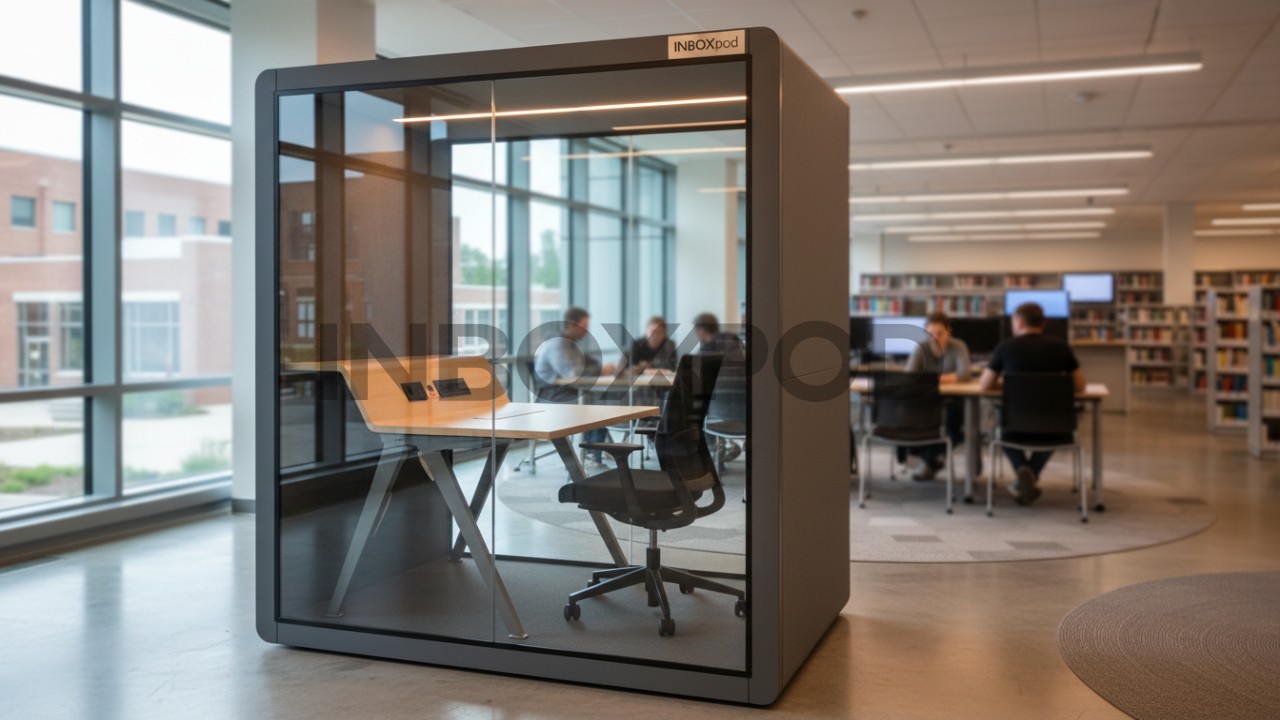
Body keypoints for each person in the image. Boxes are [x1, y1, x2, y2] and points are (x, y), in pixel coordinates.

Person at [978, 301, 1086, 505]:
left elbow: (984, 386)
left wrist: (1007, 384)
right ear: (1042, 323)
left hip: (1014, 426)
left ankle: (1022, 473)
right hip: (1056, 427)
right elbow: (1080, 386)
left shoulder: (1005, 347)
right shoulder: (1061, 347)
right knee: (1053, 431)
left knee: (1001, 431)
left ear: (1018, 322)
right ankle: (1031, 472)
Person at [533, 306, 616, 468]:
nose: (587, 330)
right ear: (572, 324)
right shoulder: (558, 344)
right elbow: (573, 373)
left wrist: (598, 368)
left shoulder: (571, 345)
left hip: (568, 392)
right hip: (552, 397)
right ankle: (593, 451)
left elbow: (588, 363)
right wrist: (600, 370)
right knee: (596, 406)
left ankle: (596, 449)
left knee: (599, 403)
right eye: (584, 326)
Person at [903, 311, 974, 481]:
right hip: (926, 401)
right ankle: (933, 460)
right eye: (931, 333)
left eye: (940, 333)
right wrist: (947, 378)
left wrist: (934, 378)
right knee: (910, 420)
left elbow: (965, 374)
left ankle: (930, 461)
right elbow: (909, 376)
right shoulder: (922, 347)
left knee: (955, 426)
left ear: (949, 331)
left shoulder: (958, 346)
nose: (935, 337)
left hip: (952, 400)